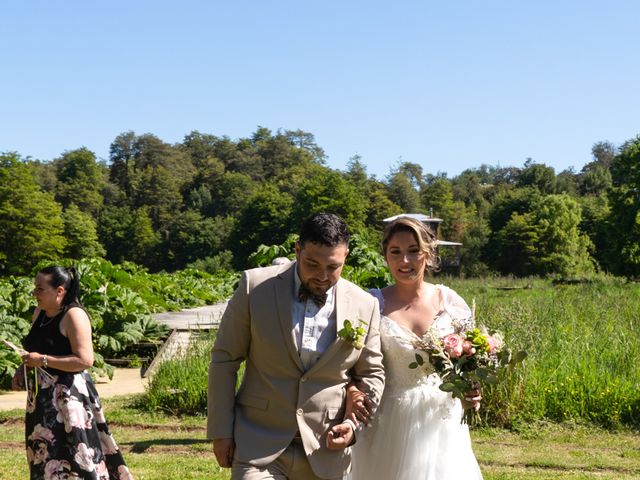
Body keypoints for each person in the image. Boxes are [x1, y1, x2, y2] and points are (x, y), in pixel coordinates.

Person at [207, 213, 385, 480]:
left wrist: (351, 424)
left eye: (333, 267)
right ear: (297, 249)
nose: (322, 276)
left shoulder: (365, 304)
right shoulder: (254, 287)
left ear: (346, 255)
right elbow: (224, 360)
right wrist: (221, 431)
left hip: (326, 450)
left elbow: (371, 374)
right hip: (258, 444)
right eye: (312, 264)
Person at [346, 216, 483, 480]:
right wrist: (353, 390)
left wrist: (472, 391)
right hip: (389, 422)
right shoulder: (372, 303)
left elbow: (469, 360)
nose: (404, 261)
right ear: (385, 255)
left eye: (413, 251)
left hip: (442, 421)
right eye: (395, 252)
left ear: (428, 254)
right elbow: (350, 365)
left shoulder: (449, 301)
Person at [12, 266, 133, 480]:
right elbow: (35, 348)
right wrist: (23, 368)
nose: (34, 294)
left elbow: (85, 360)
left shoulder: (74, 315)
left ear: (59, 291)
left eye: (40, 289)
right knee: (43, 454)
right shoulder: (39, 313)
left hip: (69, 398)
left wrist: (43, 360)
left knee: (77, 452)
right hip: (41, 399)